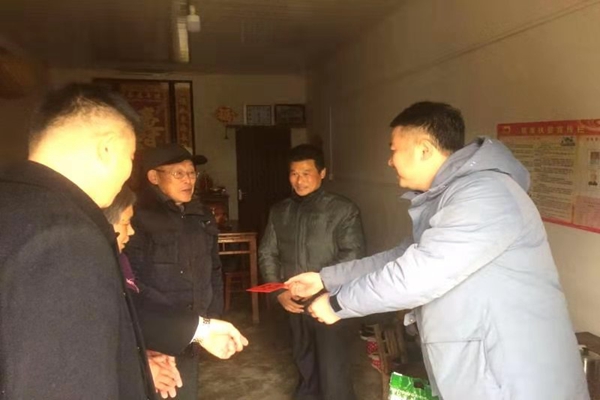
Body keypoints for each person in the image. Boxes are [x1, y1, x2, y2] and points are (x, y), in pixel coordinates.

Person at [287, 102, 590, 400]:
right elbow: (401, 257)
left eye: (394, 149)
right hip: (482, 365)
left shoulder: (485, 194)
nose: (389, 161)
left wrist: (337, 303)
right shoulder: (452, 197)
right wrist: (325, 279)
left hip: (512, 375)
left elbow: (418, 275)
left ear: (424, 150)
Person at [0, 82, 153, 398]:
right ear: (107, 149)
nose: (129, 170)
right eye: (131, 157)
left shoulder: (13, 202)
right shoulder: (66, 240)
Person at [103, 186, 249, 399]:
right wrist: (138, 365)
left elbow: (134, 302)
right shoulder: (91, 266)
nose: (132, 232)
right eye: (126, 223)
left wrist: (148, 353)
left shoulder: (119, 259)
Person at [259, 144, 365, 400]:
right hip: (294, 302)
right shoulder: (279, 211)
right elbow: (267, 253)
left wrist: (322, 287)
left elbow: (353, 255)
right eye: (294, 173)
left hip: (330, 301)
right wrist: (278, 292)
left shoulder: (343, 210)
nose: (300, 180)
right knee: (304, 362)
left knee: (333, 369)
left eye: (306, 173)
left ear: (322, 173)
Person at [125, 144, 224, 400]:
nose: (188, 180)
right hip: (159, 331)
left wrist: (211, 317)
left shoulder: (200, 214)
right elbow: (131, 280)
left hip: (195, 326)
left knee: (185, 389)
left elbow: (214, 268)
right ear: (153, 177)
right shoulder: (137, 216)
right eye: (179, 173)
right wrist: (160, 327)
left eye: (191, 173)